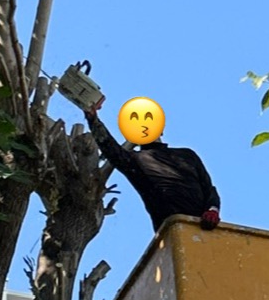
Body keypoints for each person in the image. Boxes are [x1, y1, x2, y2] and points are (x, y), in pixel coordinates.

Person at [87, 98, 221, 233]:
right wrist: (93, 120)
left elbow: (209, 189)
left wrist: (212, 210)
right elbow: (110, 148)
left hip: (204, 226)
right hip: (170, 230)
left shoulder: (187, 155)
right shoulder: (133, 160)